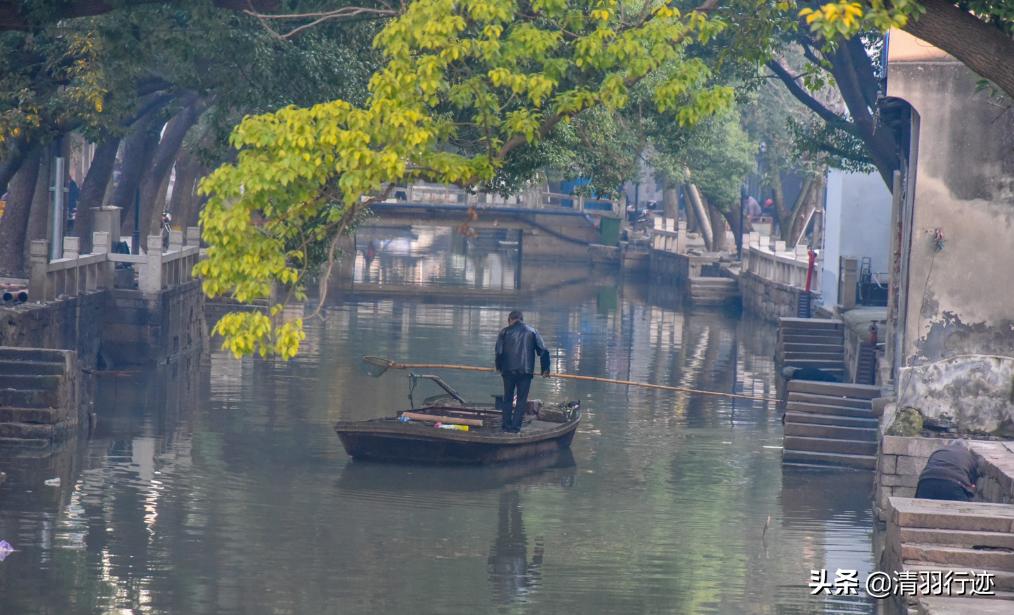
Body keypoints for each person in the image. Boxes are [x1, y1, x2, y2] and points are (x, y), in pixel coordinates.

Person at [494, 310, 550, 433]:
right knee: (521, 400)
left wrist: (498, 367)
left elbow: (498, 352)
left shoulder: (504, 332)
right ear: (521, 319)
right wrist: (545, 369)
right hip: (526, 371)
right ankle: (515, 428)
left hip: (508, 371)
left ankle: (506, 426)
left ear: (510, 320)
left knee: (507, 398)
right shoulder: (532, 331)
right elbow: (543, 351)